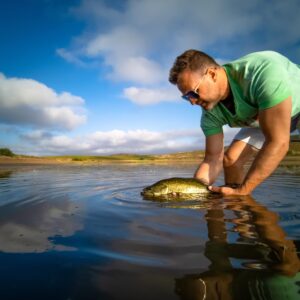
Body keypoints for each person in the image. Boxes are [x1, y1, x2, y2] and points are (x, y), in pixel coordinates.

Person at [169, 50, 300, 195]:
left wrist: (244, 190)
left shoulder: (262, 73)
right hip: (262, 117)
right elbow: (212, 159)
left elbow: (278, 142)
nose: (192, 102)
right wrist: (194, 190)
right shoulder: (209, 114)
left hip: (294, 105)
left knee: (245, 187)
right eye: (187, 97)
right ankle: (239, 211)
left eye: (193, 93)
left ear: (212, 74)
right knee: (231, 160)